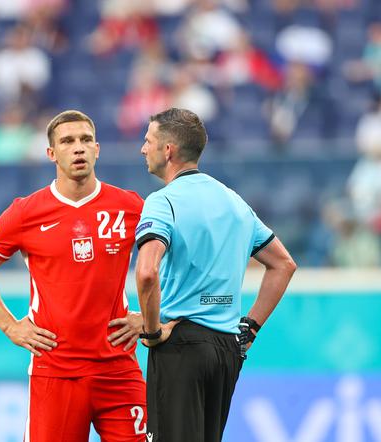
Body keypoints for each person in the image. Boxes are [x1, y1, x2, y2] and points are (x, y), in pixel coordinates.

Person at [0, 110, 147, 441]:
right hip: (56, 371)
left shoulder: (130, 206)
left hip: (118, 370)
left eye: (85, 140)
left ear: (97, 149)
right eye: (67, 141)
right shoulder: (25, 212)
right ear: (51, 153)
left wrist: (148, 317)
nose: (78, 148)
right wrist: (10, 325)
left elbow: (176, 263)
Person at [134, 108, 296, 442]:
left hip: (181, 344)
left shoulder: (162, 202)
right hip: (227, 348)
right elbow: (283, 265)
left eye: (148, 141)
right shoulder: (235, 202)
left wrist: (151, 331)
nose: (142, 148)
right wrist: (248, 328)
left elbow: (147, 273)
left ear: (168, 150)